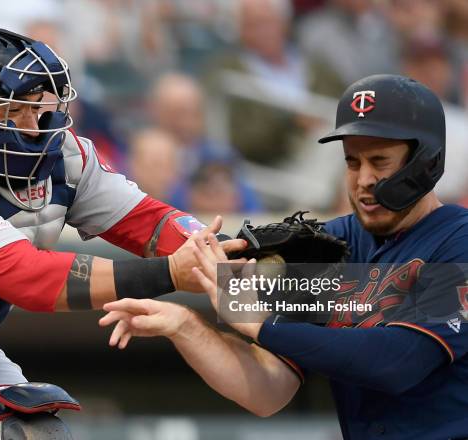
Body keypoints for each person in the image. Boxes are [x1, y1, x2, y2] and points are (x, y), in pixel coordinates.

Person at [0, 24, 245, 439]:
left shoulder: (60, 153)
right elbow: (35, 281)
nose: (31, 125)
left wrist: (229, 251)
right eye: (9, 110)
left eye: (36, 106)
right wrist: (171, 274)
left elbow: (145, 221)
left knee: (32, 434)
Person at [101, 74, 468, 439]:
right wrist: (186, 326)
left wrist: (259, 321)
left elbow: (397, 363)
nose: (363, 179)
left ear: (424, 161)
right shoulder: (335, 244)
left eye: (380, 161)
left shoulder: (459, 241)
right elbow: (267, 391)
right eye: (353, 162)